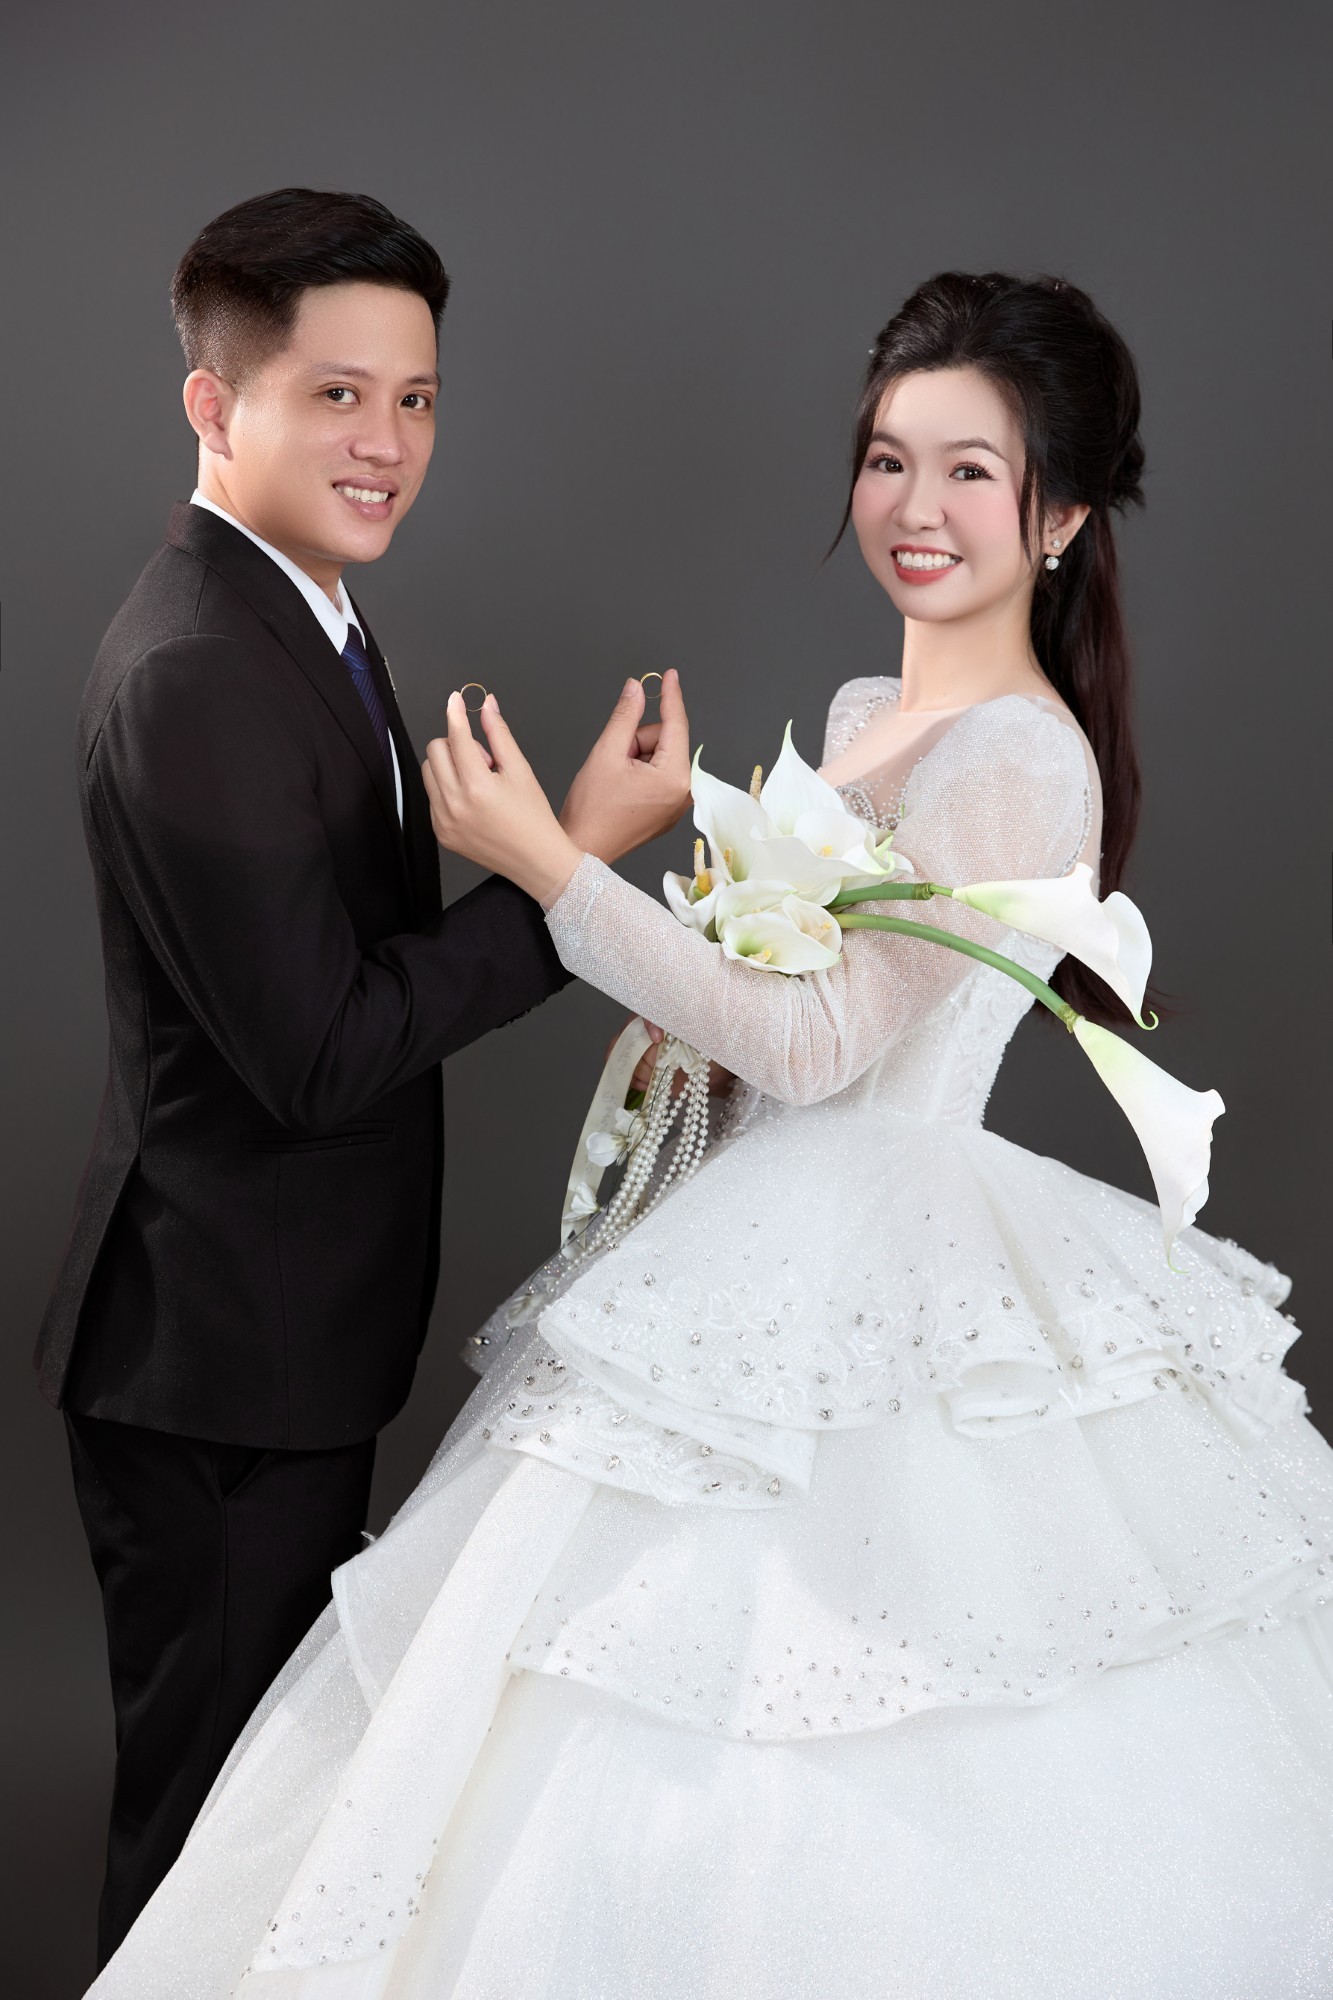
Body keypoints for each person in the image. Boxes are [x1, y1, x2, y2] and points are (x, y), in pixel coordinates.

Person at [83, 273, 1333, 1999]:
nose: (914, 508)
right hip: (766, 1218)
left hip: (894, 1249)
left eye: (969, 473)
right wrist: (688, 1006)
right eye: (887, 461)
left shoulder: (1015, 760)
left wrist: (554, 865)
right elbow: (785, 1031)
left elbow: (825, 1046)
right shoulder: (866, 710)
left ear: (1056, 518)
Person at [36, 186, 691, 1970]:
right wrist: (564, 873)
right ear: (212, 401)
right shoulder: (196, 663)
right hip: (214, 1369)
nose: (386, 443)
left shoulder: (301, 611)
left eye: (414, 399)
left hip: (273, 1342)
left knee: (272, 1822)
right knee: (206, 1844)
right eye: (336, 395)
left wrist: (553, 869)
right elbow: (319, 1055)